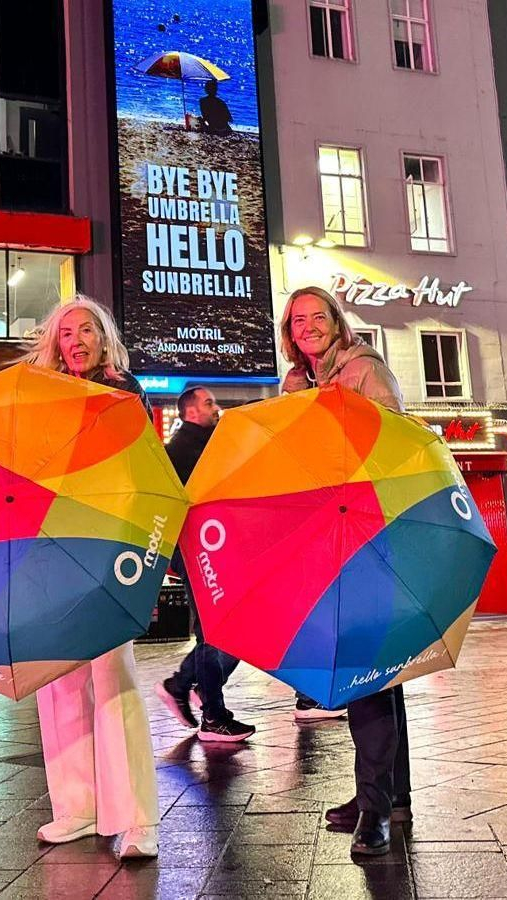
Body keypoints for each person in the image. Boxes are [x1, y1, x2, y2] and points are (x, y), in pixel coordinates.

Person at [19, 297, 159, 861]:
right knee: (58, 678)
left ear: (104, 339)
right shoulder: (43, 397)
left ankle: (138, 818)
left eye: (86, 330)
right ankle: (76, 806)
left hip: (103, 546)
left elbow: (134, 471)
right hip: (51, 547)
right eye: (65, 334)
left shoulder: (122, 392)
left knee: (111, 674)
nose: (75, 340)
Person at [280, 286, 410, 857]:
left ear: (336, 322)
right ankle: (388, 796)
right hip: (324, 538)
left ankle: (376, 812)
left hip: (367, 536)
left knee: (368, 675)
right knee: (380, 676)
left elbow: (395, 447)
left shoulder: (363, 372)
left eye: (318, 317)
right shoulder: (297, 384)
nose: (308, 326)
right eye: (298, 320)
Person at [155, 387, 255, 742]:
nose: (217, 408)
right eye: (210, 403)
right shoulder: (183, 451)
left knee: (233, 630)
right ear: (190, 412)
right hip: (199, 555)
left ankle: (183, 684)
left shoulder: (210, 445)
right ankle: (212, 715)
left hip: (214, 550)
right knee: (217, 632)